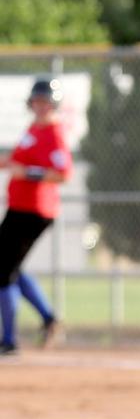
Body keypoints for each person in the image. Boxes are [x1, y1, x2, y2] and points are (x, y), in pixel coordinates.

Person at [0, 78, 72, 355]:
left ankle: (8, 340)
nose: (40, 106)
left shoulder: (53, 133)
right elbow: (22, 160)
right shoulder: (34, 128)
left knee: (4, 271)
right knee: (9, 267)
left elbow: (62, 174)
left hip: (33, 211)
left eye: (45, 102)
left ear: (52, 105)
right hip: (19, 208)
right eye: (36, 101)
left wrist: (27, 172)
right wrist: (9, 163)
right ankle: (49, 319)